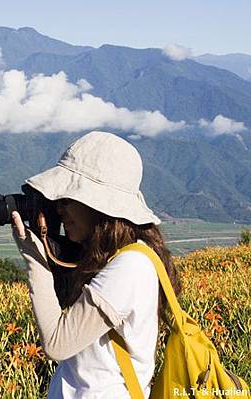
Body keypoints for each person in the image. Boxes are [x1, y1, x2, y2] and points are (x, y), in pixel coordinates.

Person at [11, 131, 181, 398]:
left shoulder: (130, 266)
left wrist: (35, 258)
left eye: (66, 199)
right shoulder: (110, 259)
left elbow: (57, 344)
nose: (58, 209)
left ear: (96, 205)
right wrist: (50, 244)